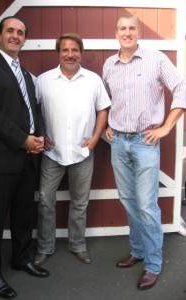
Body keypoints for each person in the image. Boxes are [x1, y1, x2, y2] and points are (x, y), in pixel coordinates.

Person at [103, 13, 186, 290]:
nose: (126, 33)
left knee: (147, 206)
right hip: (118, 142)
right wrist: (106, 127)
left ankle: (152, 264)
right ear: (116, 34)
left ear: (139, 32)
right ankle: (137, 251)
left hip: (145, 142)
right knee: (128, 200)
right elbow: (105, 101)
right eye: (122, 29)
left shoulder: (156, 59)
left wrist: (165, 127)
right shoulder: (109, 65)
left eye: (131, 28)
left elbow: (181, 88)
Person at [0, 16, 49, 299]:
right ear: (0, 35)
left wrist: (38, 137)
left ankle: (21, 257)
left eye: (20, 33)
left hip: (28, 157)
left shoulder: (26, 75)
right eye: (10, 31)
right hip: (0, 158)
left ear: (24, 39)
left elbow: (32, 110)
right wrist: (22, 140)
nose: (15, 36)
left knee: (24, 212)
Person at [33, 33, 110, 266]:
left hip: (82, 152)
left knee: (80, 201)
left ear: (81, 53)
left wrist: (96, 138)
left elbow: (103, 109)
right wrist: (40, 135)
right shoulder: (43, 80)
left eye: (74, 50)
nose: (70, 54)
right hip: (51, 153)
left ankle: (78, 245)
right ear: (58, 53)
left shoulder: (93, 80)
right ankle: (45, 247)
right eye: (65, 50)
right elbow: (33, 111)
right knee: (46, 201)